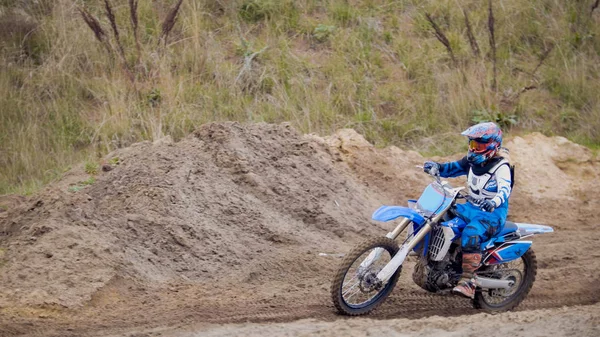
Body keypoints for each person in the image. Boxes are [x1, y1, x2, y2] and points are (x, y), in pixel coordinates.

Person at [423, 122, 512, 299]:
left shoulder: (502, 167)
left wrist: (494, 202)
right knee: (441, 218)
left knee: (471, 233)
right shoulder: (471, 162)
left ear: (492, 145)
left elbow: (505, 189)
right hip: (470, 208)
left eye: (478, 145)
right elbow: (451, 168)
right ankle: (441, 263)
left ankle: (468, 281)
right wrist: (436, 167)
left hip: (492, 215)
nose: (473, 148)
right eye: (472, 144)